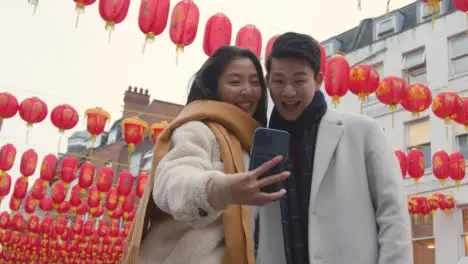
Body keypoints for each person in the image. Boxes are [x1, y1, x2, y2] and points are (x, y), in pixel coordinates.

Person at [255, 32, 413, 264]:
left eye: (299, 80)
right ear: (268, 81)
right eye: (278, 81)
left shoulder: (362, 131)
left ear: (318, 80)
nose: (288, 91)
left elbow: (393, 214)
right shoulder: (263, 142)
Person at [122, 46, 290, 264]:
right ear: (214, 87)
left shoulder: (248, 143)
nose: (247, 90)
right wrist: (220, 189)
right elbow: (172, 180)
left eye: (254, 82)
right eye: (235, 82)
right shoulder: (197, 128)